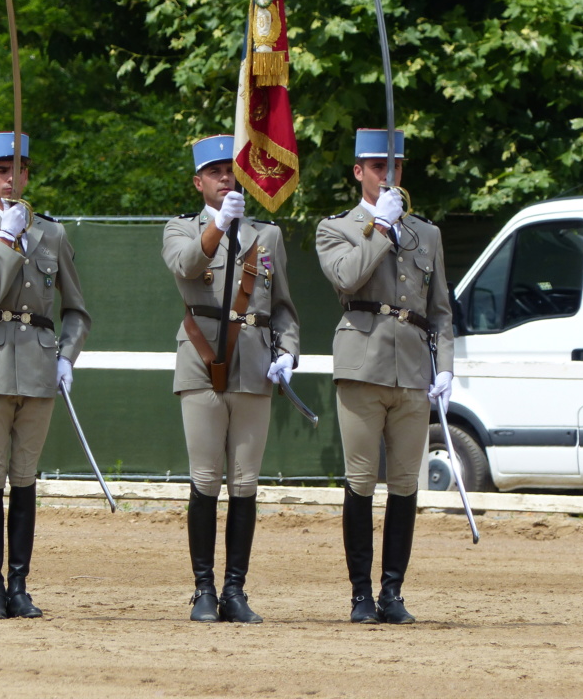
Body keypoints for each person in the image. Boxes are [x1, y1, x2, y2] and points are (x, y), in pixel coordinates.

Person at [315, 128, 454, 625]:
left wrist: (446, 368)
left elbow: (439, 311)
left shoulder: (426, 234)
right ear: (359, 171)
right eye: (378, 167)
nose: (388, 175)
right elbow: (347, 278)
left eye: (394, 167)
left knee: (403, 485)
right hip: (362, 366)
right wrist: (378, 227)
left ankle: (392, 592)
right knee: (359, 482)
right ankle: (360, 595)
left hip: (413, 370)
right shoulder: (337, 228)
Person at [0, 132, 90, 619]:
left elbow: (76, 309)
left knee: (25, 479)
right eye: (1, 170)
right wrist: (7, 238)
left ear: (28, 175)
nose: (11, 180)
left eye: (20, 170)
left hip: (37, 365)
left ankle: (19, 585)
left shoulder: (52, 233)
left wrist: (67, 356)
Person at [162, 134, 300, 624]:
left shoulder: (268, 235)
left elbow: (282, 306)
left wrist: (288, 352)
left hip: (253, 362)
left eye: (232, 171)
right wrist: (219, 226)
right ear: (199, 182)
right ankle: (202, 589)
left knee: (244, 482)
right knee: (205, 479)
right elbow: (185, 265)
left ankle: (235, 590)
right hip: (202, 362)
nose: (226, 179)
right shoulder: (180, 229)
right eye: (216, 172)